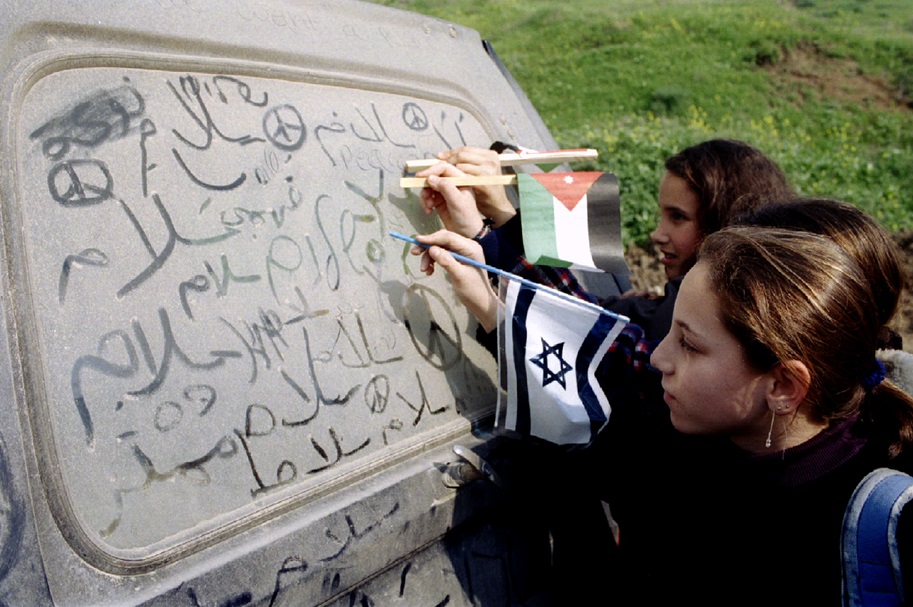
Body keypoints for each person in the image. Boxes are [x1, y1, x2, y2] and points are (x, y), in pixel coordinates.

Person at [407, 222, 913, 606]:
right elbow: (601, 376)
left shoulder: (876, 517)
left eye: (689, 345)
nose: (658, 356)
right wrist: (493, 305)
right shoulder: (678, 443)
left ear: (783, 385)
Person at [416, 138, 796, 340]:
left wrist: (483, 235)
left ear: (727, 222)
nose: (656, 234)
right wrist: (500, 216)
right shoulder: (773, 304)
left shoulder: (691, 320)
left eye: (678, 217)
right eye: (662, 213)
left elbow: (580, 328)